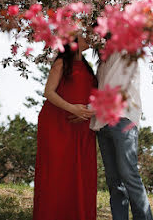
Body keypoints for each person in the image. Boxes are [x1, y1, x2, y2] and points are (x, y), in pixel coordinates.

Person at [33, 33, 98, 220]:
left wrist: (87, 112)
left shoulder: (87, 66)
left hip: (81, 127)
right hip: (57, 125)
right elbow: (48, 92)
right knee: (56, 174)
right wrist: (72, 109)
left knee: (81, 176)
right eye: (85, 36)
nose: (91, 38)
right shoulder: (61, 63)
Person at [91, 51, 153, 220]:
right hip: (103, 123)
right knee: (114, 182)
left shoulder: (124, 50)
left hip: (122, 118)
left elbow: (113, 87)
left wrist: (87, 109)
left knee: (129, 174)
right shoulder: (103, 60)